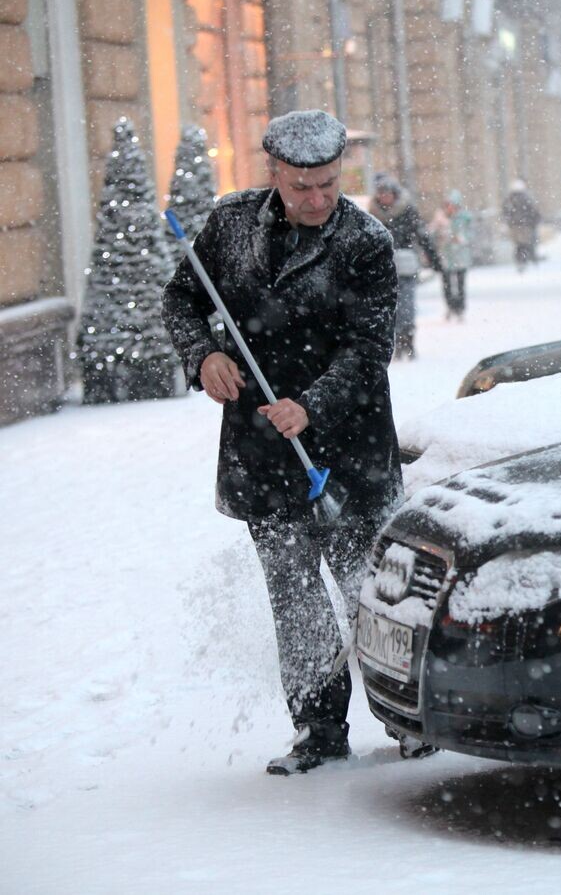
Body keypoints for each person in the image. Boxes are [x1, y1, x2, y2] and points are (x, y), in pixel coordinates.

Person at [161, 110, 418, 775]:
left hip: (351, 454)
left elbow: (369, 350)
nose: (317, 198)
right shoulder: (231, 226)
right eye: (303, 186)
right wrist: (204, 356)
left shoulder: (365, 242)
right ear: (274, 172)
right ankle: (319, 731)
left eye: (329, 183)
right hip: (262, 454)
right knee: (296, 600)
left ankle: (409, 720)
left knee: (372, 596)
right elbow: (182, 299)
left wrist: (312, 406)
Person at [369, 176, 442, 359]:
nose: (385, 197)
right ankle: (396, 341)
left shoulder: (407, 212)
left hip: (406, 265)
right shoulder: (372, 215)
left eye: (387, 193)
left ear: (395, 194)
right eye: (381, 194)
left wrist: (434, 259)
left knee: (407, 305)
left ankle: (407, 340)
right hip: (383, 269)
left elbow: (422, 236)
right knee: (389, 308)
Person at [430, 190, 472, 319]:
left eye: (453, 205)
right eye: (448, 204)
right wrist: (440, 235)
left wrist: (461, 238)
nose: (450, 208)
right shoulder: (440, 218)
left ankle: (460, 308)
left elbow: (471, 234)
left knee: (460, 284)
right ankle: (450, 306)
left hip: (461, 256)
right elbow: (430, 234)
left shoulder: (465, 218)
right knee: (447, 284)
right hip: (445, 256)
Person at [501, 179, 540, 272]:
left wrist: (509, 222)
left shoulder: (509, 199)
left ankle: (520, 260)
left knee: (518, 245)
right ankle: (525, 259)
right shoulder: (526, 198)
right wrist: (533, 222)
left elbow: (505, 212)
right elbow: (534, 212)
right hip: (525, 225)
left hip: (515, 226)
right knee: (525, 244)